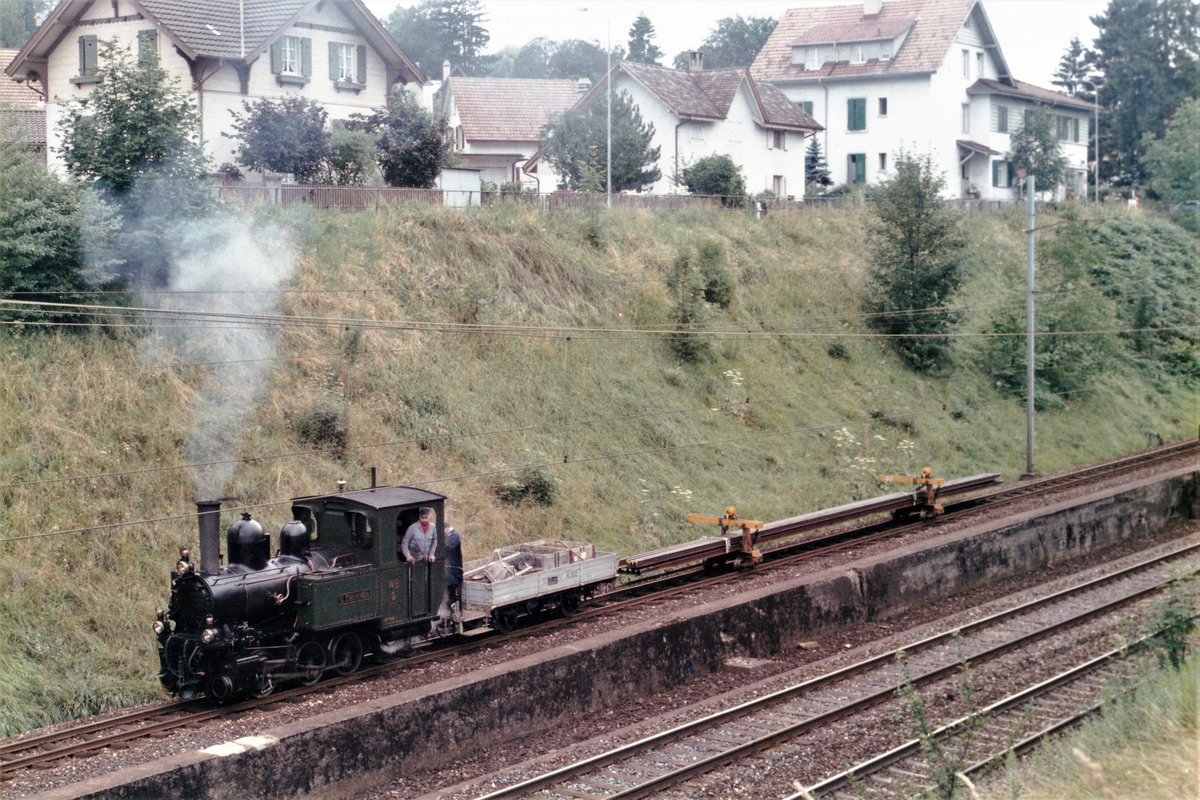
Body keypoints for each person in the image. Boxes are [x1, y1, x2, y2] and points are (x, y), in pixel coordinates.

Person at [443, 526, 463, 608]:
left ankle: (454, 603)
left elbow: (449, 547)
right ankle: (448, 603)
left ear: (446, 528)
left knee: (453, 584)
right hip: (449, 565)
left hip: (454, 565)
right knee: (448, 584)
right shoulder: (448, 535)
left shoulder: (454, 535)